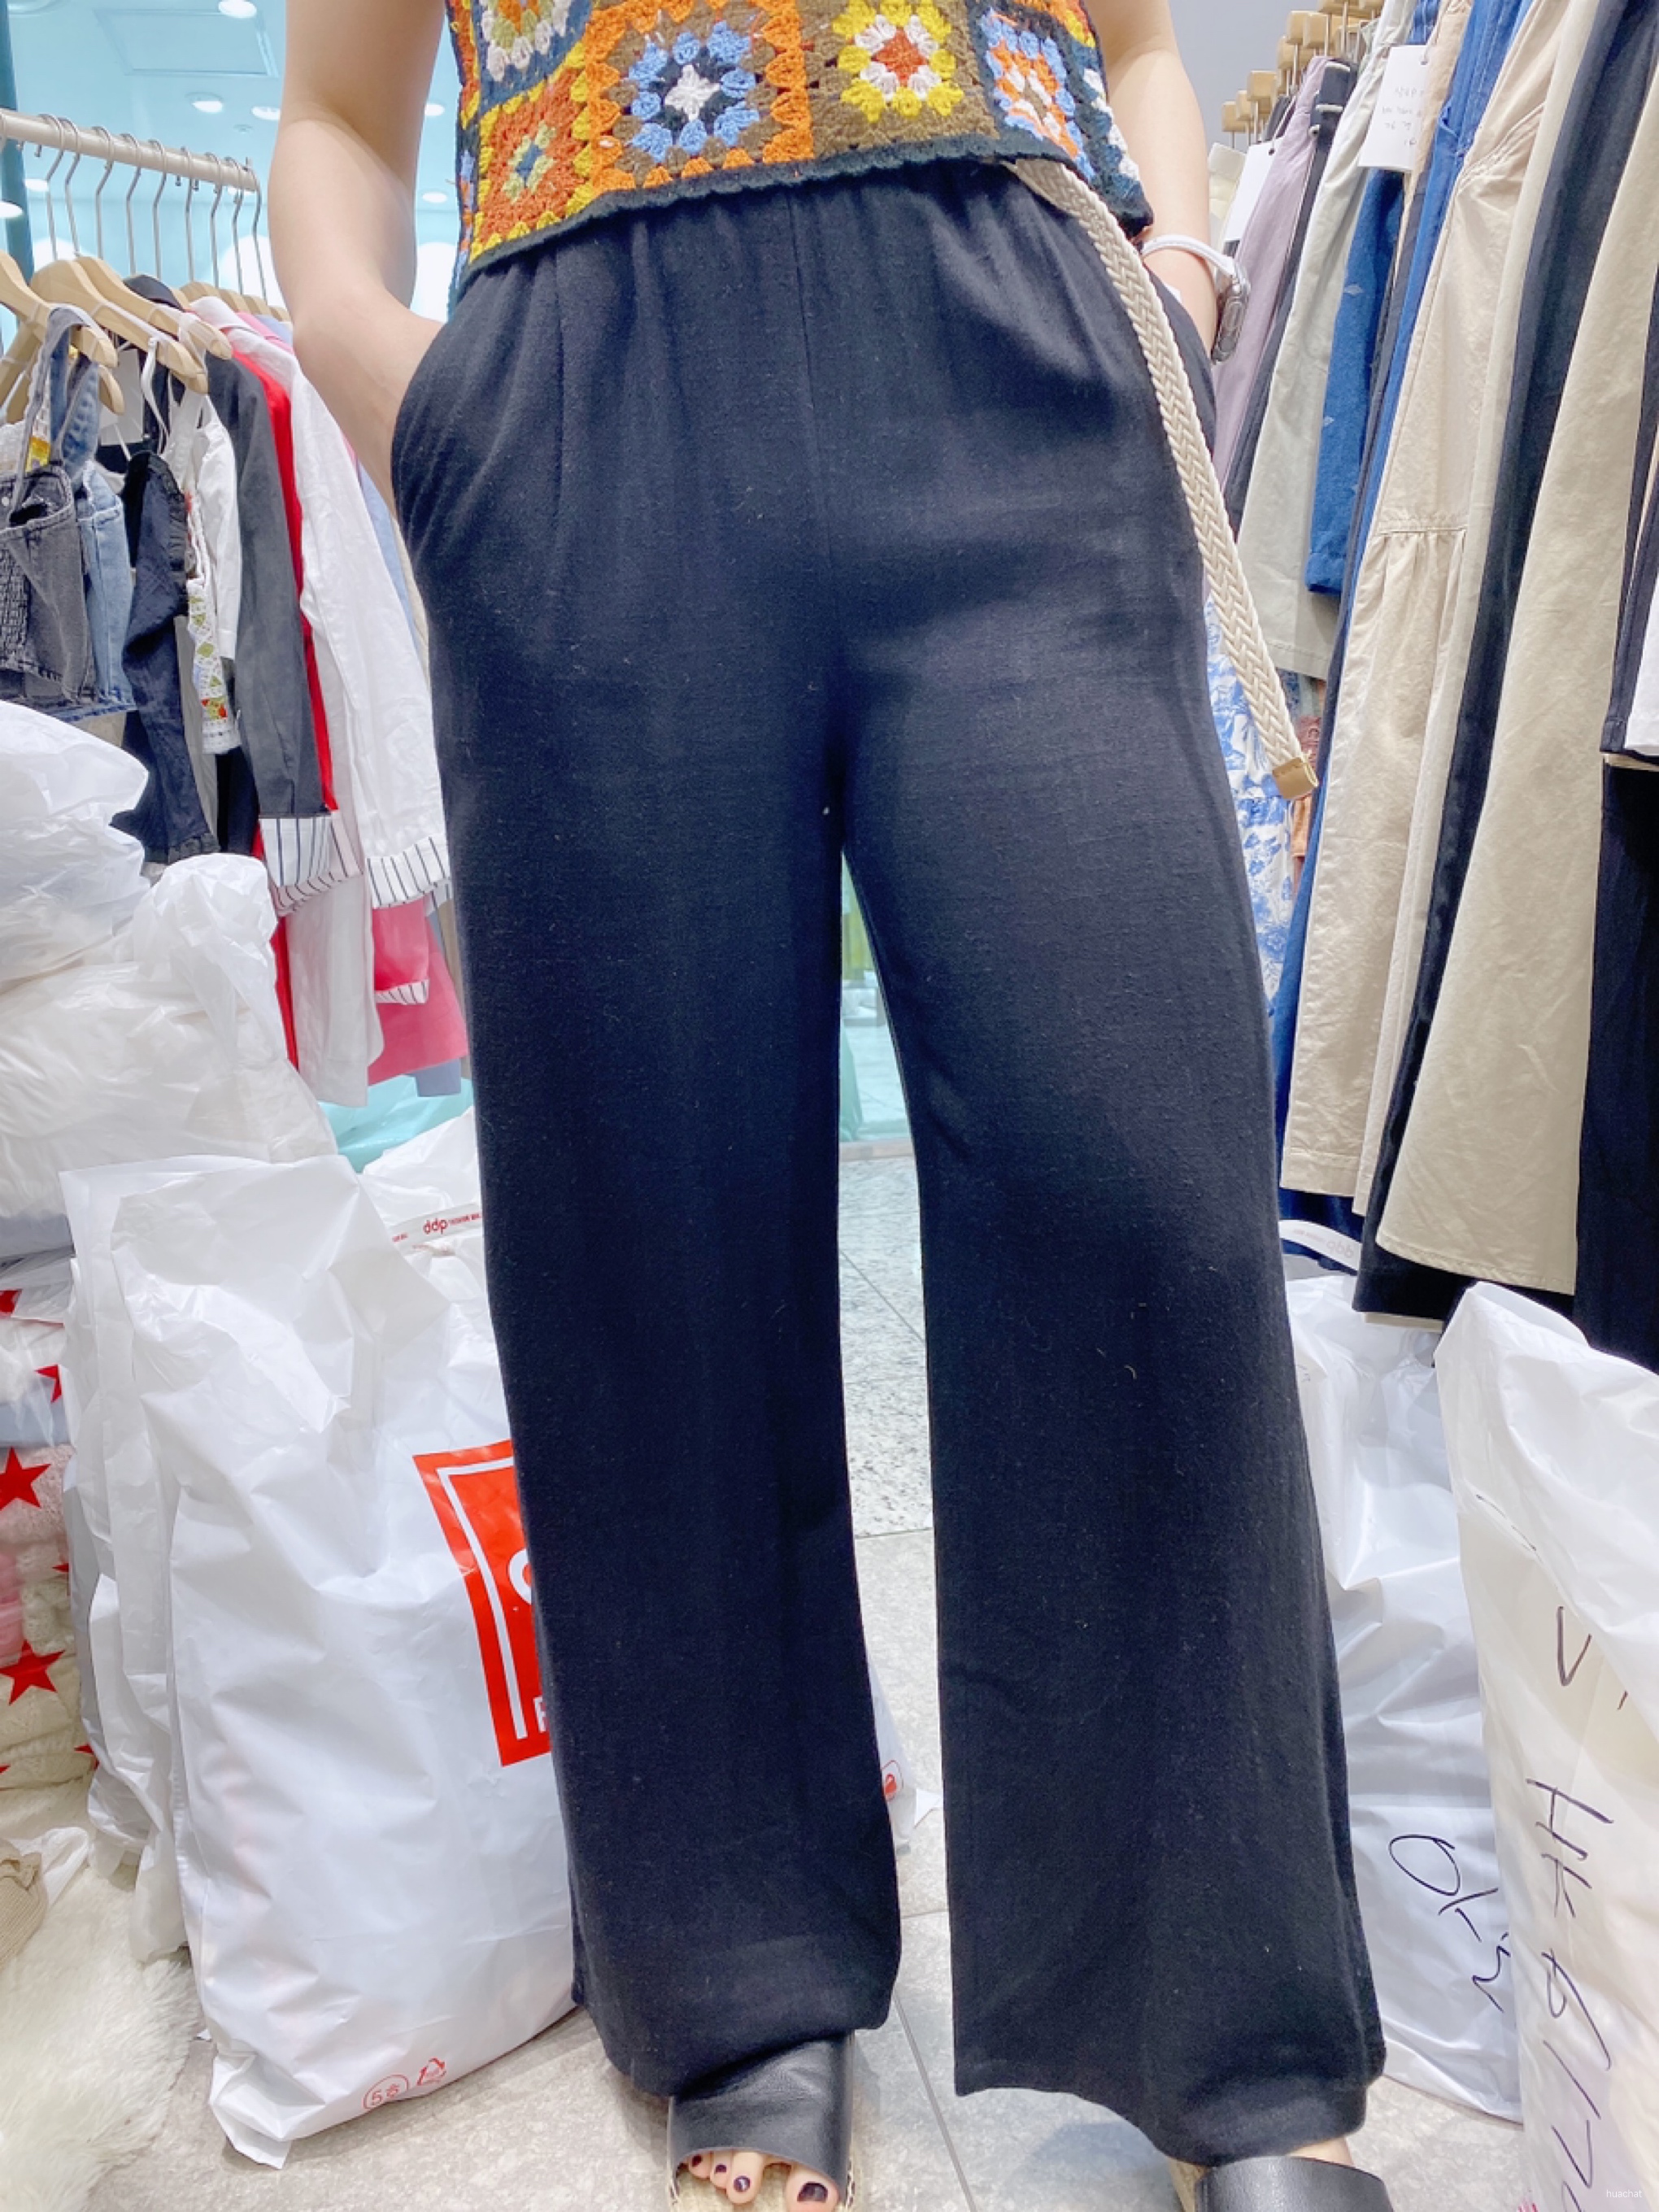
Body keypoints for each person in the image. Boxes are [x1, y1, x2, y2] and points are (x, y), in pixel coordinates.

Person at [271, 3, 1393, 2204]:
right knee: (649, 1219)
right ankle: (744, 1979)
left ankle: (1229, 2035)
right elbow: (336, 109)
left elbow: (1143, 44)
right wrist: (400, 386)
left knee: (1135, 1177)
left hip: (1021, 367)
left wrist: (1170, 286)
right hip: (582, 420)